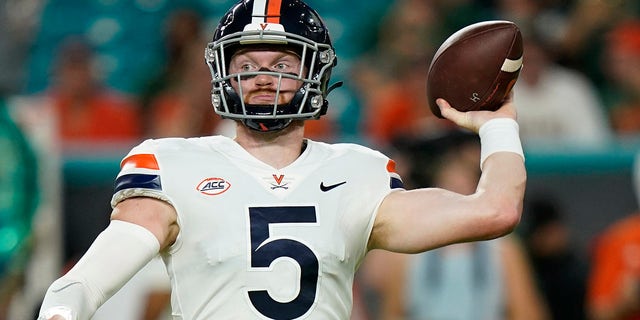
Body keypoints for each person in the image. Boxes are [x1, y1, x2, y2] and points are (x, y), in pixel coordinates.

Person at [37, 0, 526, 319]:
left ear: (315, 73)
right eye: (246, 65)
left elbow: (495, 210)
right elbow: (91, 276)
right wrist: (65, 307)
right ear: (222, 74)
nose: (263, 77)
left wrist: (497, 123)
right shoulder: (171, 163)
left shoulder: (358, 172)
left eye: (282, 65)